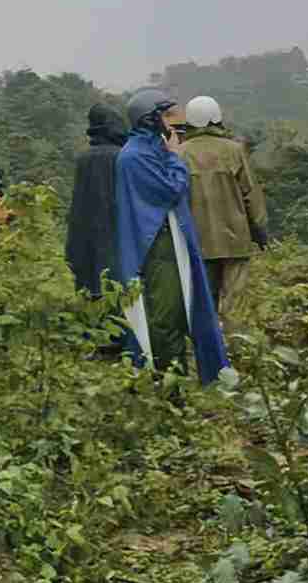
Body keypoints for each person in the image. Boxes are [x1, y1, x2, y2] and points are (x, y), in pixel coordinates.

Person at [112, 88, 227, 383]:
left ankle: (178, 379)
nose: (172, 122)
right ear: (150, 119)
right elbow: (171, 190)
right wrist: (176, 157)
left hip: (169, 241)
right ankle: (169, 387)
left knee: (181, 311)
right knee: (167, 317)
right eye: (165, 115)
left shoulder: (151, 150)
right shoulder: (135, 157)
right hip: (156, 246)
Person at [179, 96, 269, 328]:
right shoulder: (235, 150)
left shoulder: (180, 153)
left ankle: (207, 351)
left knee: (203, 301)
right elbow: (251, 194)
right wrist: (259, 230)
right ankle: (235, 347)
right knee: (234, 304)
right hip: (235, 240)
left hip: (198, 242)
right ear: (217, 118)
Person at [63, 103, 129, 298]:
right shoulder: (122, 156)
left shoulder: (83, 158)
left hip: (85, 237)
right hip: (116, 235)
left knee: (92, 293)